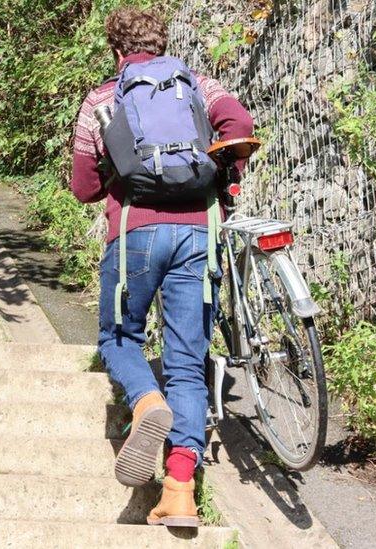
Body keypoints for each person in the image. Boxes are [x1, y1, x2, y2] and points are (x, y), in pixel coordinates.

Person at [70, 6, 253, 527]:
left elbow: (84, 186)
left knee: (120, 339)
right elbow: (238, 123)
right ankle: (178, 491)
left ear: (116, 48)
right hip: (198, 231)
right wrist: (218, 173)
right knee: (187, 362)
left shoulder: (102, 98)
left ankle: (147, 404)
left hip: (135, 234)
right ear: (163, 40)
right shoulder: (197, 83)